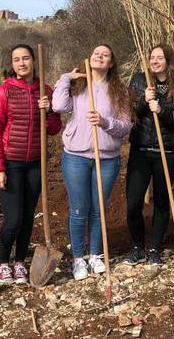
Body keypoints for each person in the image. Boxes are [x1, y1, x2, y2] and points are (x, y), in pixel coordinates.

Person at [52, 44, 133, 280]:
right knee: (79, 210)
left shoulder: (121, 92)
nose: (100, 56)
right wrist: (65, 77)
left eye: (105, 55)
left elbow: (125, 126)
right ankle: (78, 259)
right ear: (90, 58)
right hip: (76, 157)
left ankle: (96, 254)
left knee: (98, 210)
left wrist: (105, 122)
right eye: (97, 53)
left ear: (111, 63)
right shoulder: (77, 86)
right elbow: (58, 106)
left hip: (106, 159)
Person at [0, 44, 62, 284]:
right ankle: (3, 262)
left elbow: (54, 129)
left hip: (35, 164)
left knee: (28, 216)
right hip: (11, 163)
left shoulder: (45, 91)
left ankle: (20, 261)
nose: (22, 63)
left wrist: (48, 111)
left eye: (26, 58)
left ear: (33, 61)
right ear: (13, 64)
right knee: (13, 218)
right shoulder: (4, 92)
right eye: (17, 59)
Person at [123, 44, 174, 266]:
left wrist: (161, 110)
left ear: (169, 61)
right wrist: (144, 100)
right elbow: (129, 112)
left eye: (160, 57)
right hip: (141, 150)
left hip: (167, 151)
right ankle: (137, 247)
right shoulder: (139, 79)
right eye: (152, 57)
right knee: (133, 202)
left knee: (162, 201)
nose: (155, 61)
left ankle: (154, 248)